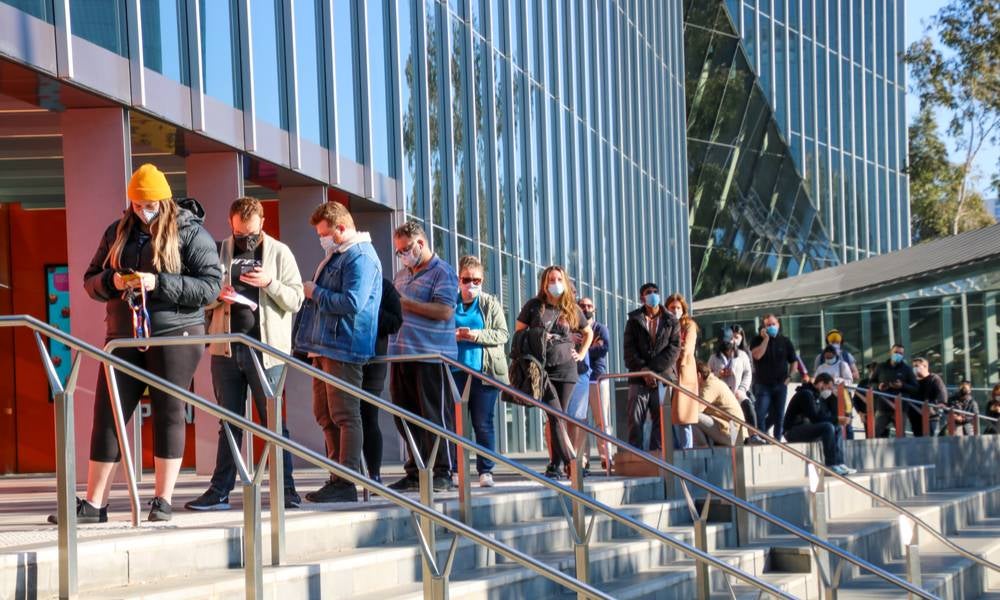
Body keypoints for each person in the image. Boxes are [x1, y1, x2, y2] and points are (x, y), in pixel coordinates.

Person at [52, 164, 222, 524]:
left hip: (175, 334)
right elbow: (89, 280)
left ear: (164, 200)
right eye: (136, 202)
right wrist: (113, 281)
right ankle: (94, 504)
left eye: (149, 203)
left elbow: (209, 288)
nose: (142, 209)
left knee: (168, 413)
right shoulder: (118, 231)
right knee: (109, 416)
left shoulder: (190, 232)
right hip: (123, 335)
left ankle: (163, 499)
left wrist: (156, 283)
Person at [186, 197, 304, 511]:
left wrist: (270, 283)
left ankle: (286, 490)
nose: (245, 240)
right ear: (231, 224)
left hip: (267, 352)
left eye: (250, 234)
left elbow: (296, 299)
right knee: (229, 422)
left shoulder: (279, 252)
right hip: (226, 348)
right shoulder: (218, 250)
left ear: (262, 223)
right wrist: (216, 295)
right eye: (240, 234)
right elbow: (201, 298)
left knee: (273, 422)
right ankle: (219, 491)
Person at [294, 202, 382, 503]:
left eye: (324, 233)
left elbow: (353, 302)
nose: (322, 240)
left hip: (344, 346)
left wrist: (314, 292)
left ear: (341, 228)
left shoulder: (361, 257)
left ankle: (346, 480)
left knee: (345, 414)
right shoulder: (339, 255)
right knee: (324, 413)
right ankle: (337, 477)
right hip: (324, 346)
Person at [387, 221, 459, 492]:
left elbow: (444, 312)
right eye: (399, 251)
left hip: (431, 356)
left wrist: (407, 304)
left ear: (420, 243)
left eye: (405, 249)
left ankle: (442, 471)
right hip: (401, 355)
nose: (403, 255)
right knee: (405, 415)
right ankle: (417, 469)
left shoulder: (443, 272)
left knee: (434, 416)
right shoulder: (401, 275)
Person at [515, 265, 593, 480]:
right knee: (555, 414)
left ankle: (555, 466)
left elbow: (588, 332)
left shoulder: (570, 308)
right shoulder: (534, 306)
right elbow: (518, 332)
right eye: (551, 279)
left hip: (567, 369)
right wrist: (538, 335)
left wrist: (581, 352)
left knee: (559, 416)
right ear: (544, 283)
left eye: (559, 279)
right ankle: (571, 462)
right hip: (541, 369)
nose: (555, 283)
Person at [452, 255, 509, 487]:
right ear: (459, 279)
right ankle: (455, 469)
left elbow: (502, 334)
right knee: (455, 424)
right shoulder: (449, 302)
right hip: (454, 370)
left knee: (482, 422)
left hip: (483, 372)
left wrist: (476, 335)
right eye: (467, 279)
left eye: (477, 280)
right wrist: (453, 335)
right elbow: (438, 330)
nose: (471, 285)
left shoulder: (489, 303)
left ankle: (486, 471)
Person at [622, 283, 681, 453]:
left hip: (663, 377)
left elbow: (674, 350)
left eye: (656, 292)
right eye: (649, 293)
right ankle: (636, 454)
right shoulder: (633, 321)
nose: (653, 295)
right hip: (638, 377)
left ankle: (658, 455)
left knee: (661, 420)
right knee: (635, 418)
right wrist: (643, 371)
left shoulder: (671, 320)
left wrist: (653, 372)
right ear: (642, 297)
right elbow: (629, 350)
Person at [359, 277, 403, 483]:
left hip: (373, 361)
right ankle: (343, 475)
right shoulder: (343, 279)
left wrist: (370, 308)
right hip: (342, 359)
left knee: (368, 417)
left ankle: (374, 474)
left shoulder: (383, 287)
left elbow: (395, 322)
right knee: (340, 419)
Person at [782, 373, 856, 476]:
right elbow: (815, 418)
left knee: (837, 427)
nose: (829, 390)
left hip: (805, 428)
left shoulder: (817, 396)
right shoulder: (806, 394)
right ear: (821, 383)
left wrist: (833, 404)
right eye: (828, 387)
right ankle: (831, 465)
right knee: (828, 427)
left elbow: (825, 415)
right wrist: (837, 419)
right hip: (792, 431)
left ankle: (839, 463)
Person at [708, 329, 763, 444]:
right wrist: (719, 374)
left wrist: (742, 388)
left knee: (747, 406)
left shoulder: (742, 355)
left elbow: (748, 372)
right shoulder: (714, 358)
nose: (725, 346)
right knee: (729, 416)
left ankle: (753, 435)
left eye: (727, 342)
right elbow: (707, 375)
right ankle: (732, 440)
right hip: (722, 394)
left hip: (737, 391)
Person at [751, 314, 799, 441]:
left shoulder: (785, 341)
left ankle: (777, 439)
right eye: (768, 325)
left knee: (778, 415)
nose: (771, 327)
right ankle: (761, 437)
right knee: (760, 412)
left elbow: (794, 361)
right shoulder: (757, 340)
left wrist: (789, 377)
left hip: (780, 384)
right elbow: (757, 356)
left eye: (773, 324)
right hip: (763, 385)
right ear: (763, 327)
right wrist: (765, 340)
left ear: (778, 324)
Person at [580, 297, 613, 468]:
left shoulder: (600, 328)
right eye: (582, 306)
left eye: (589, 305)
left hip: (598, 379)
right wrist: (588, 345)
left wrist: (582, 349)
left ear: (594, 309)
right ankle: (583, 460)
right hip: (580, 378)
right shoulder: (575, 328)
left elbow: (603, 347)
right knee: (581, 422)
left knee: (602, 420)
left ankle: (606, 457)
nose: (586, 308)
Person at [667, 293, 700, 449]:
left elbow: (687, 349)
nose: (675, 310)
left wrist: (668, 352)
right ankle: (674, 452)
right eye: (672, 307)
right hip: (668, 373)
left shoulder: (689, 325)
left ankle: (686, 452)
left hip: (683, 373)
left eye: (678, 307)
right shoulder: (664, 324)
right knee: (670, 418)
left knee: (683, 417)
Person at [693, 362, 745, 447]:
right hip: (732, 430)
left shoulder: (710, 385)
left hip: (733, 433)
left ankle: (702, 449)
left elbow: (698, 409)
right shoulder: (713, 382)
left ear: (698, 375)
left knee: (692, 416)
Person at [873, 344, 919, 437]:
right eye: (896, 352)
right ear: (890, 352)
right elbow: (871, 383)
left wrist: (902, 385)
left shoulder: (907, 369)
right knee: (874, 433)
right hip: (883, 407)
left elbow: (915, 388)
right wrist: (879, 386)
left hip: (900, 408)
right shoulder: (881, 367)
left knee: (900, 436)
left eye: (901, 353)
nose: (898, 355)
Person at [813, 344, 856, 438]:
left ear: (835, 355)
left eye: (830, 357)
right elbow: (815, 380)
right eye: (826, 357)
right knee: (829, 418)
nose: (828, 358)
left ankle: (848, 438)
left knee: (845, 419)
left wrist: (836, 380)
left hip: (840, 396)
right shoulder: (821, 368)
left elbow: (850, 381)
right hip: (826, 396)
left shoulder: (842, 365)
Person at [910, 358, 946, 437]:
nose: (914, 368)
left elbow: (941, 392)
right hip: (916, 416)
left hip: (931, 416)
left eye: (917, 366)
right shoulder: (913, 381)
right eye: (913, 366)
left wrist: (941, 403)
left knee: (931, 438)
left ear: (925, 366)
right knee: (918, 438)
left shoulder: (934, 378)